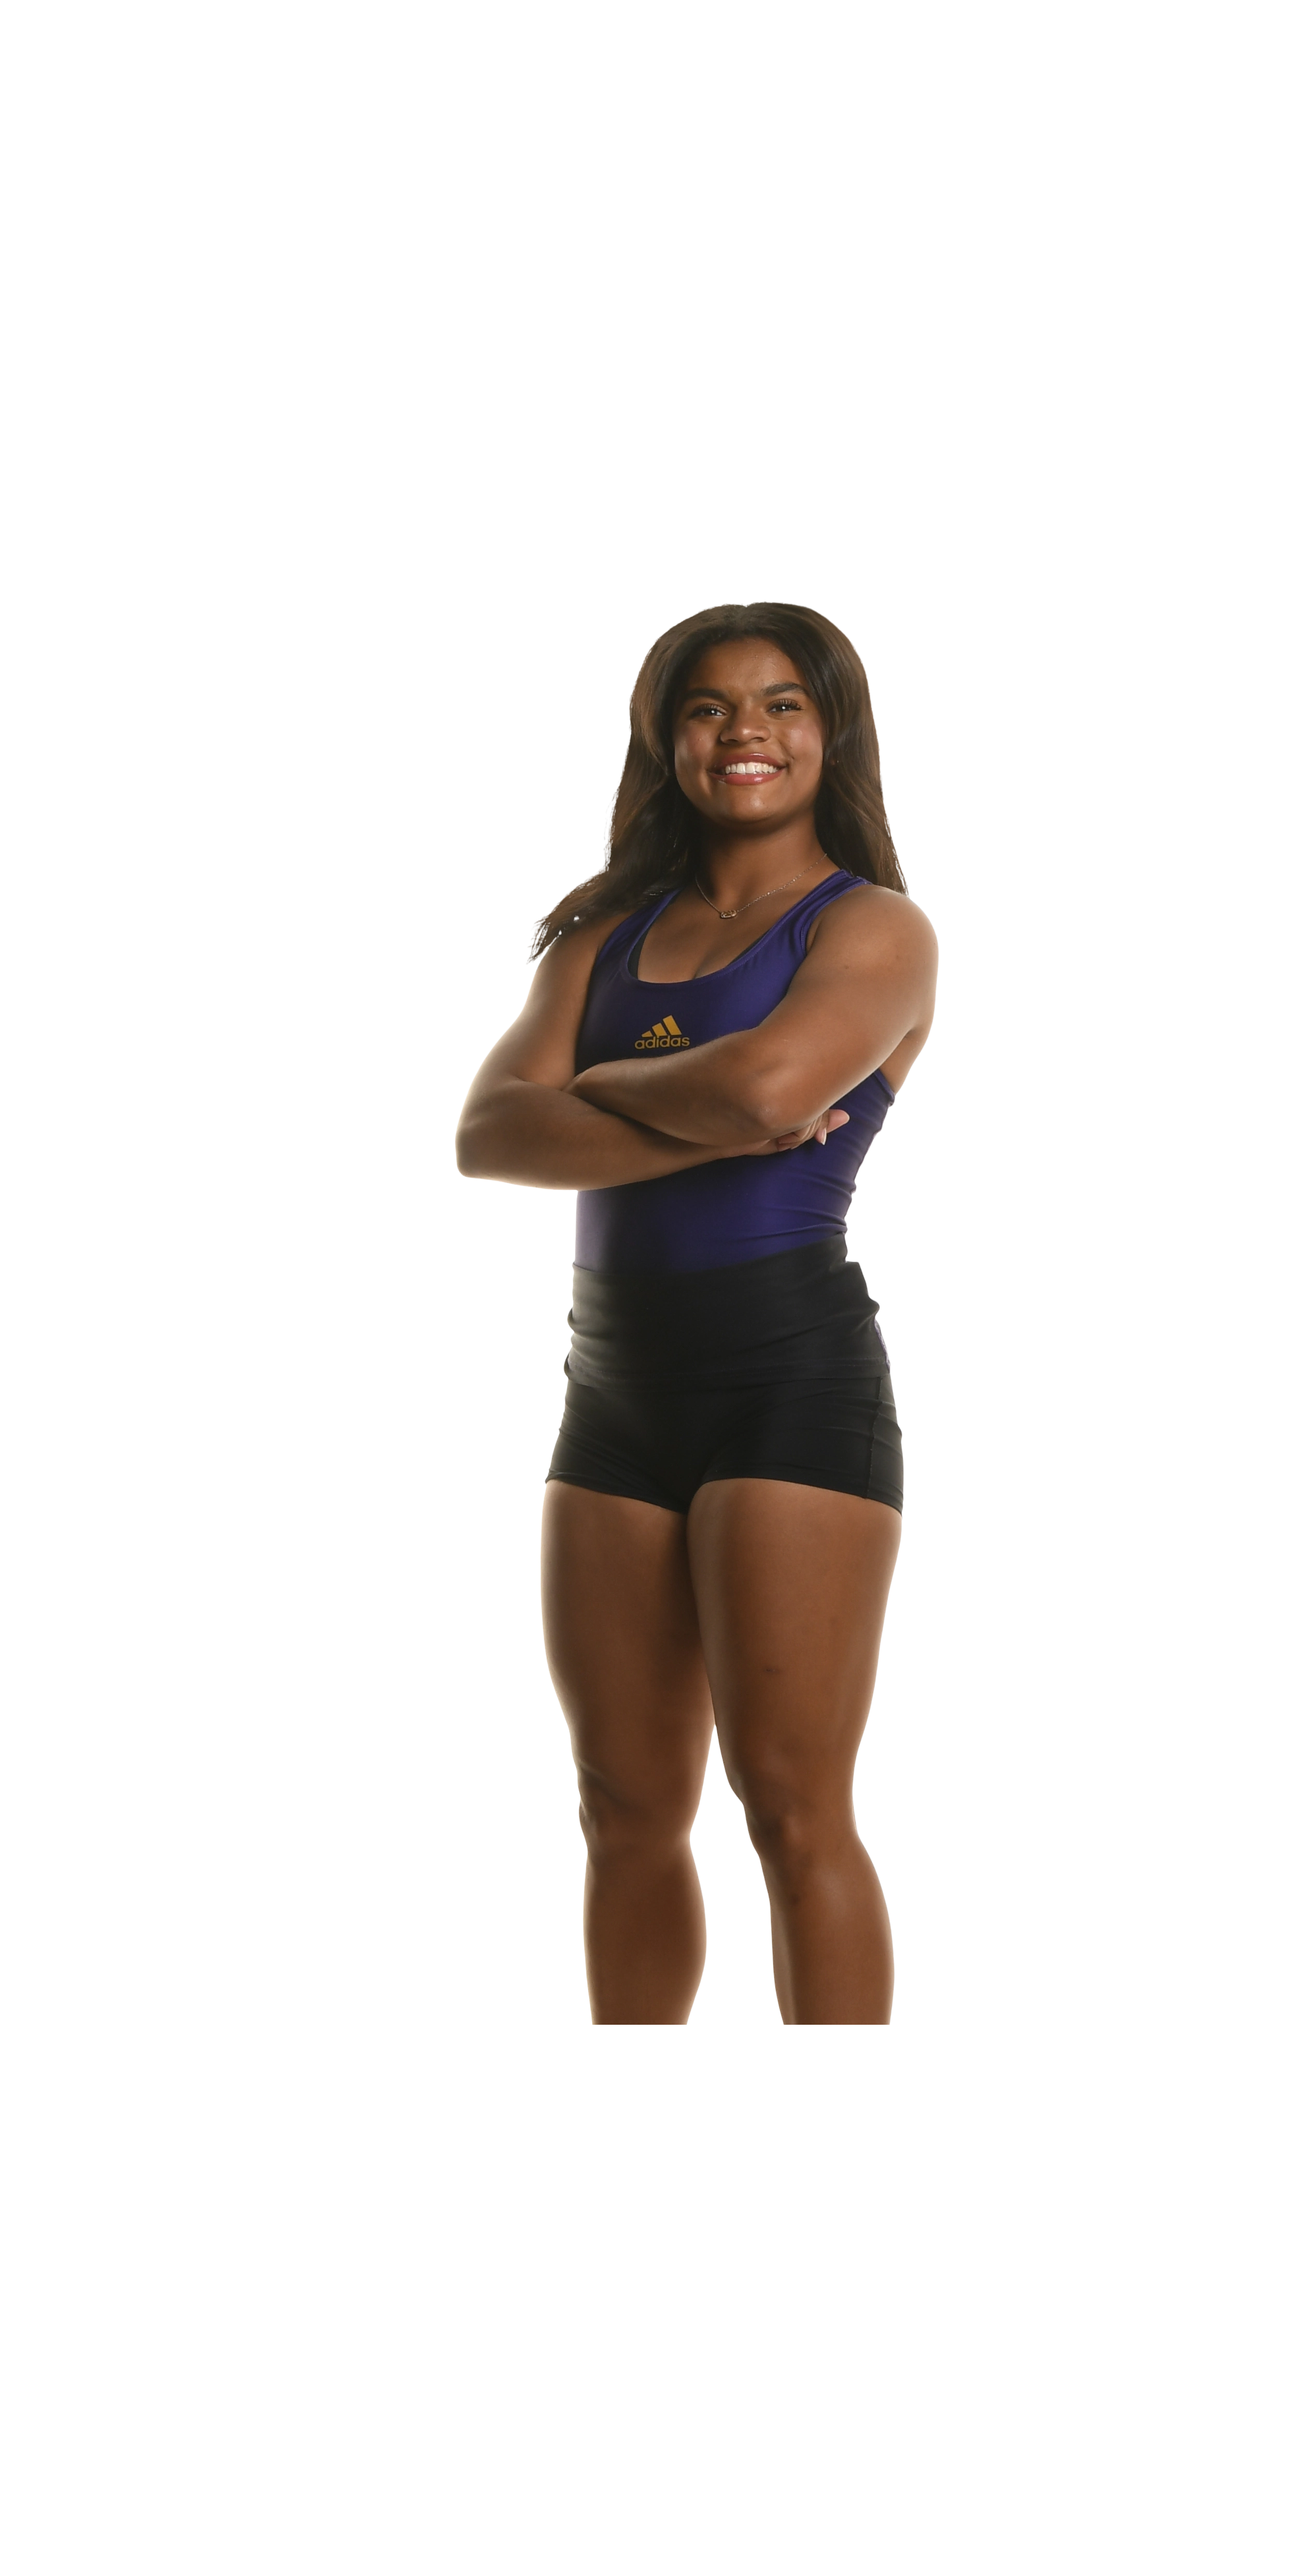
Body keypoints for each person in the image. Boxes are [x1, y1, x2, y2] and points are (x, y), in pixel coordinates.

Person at [455, 601, 937, 2024]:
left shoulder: (877, 930)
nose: (746, 734)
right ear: (664, 739)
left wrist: (596, 1095)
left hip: (787, 1379)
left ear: (833, 730)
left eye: (784, 703)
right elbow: (489, 1133)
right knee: (623, 1806)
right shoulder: (598, 942)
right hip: (613, 1392)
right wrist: (700, 1109)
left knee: (789, 1802)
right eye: (710, 707)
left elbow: (768, 1090)